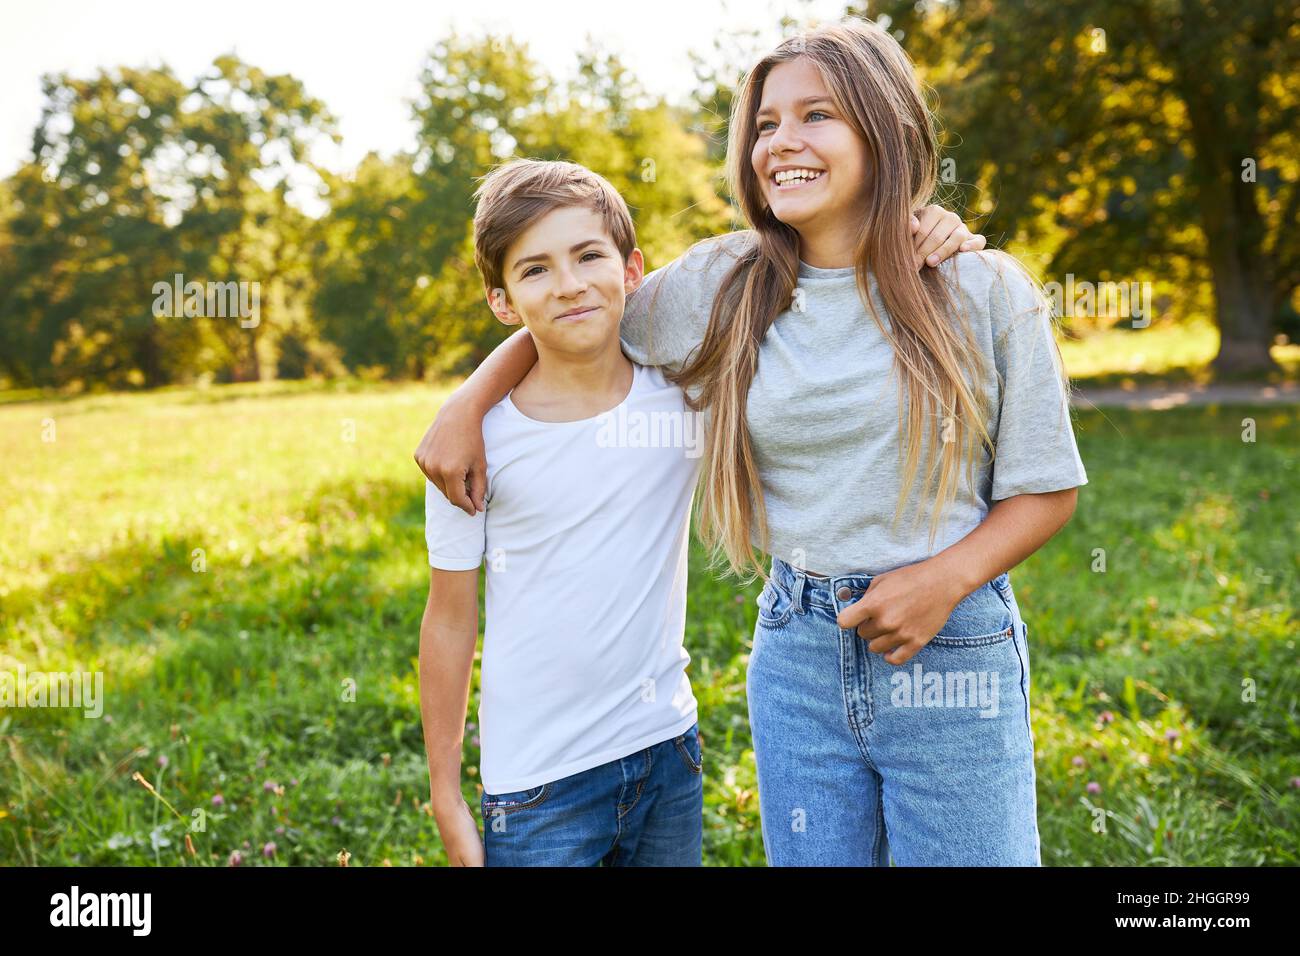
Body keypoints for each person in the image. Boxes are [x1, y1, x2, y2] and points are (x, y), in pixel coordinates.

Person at [419, 21, 1009, 866]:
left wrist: (925, 221)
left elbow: (591, 310)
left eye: (591, 256)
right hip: (548, 777)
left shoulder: (692, 385)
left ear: (632, 269)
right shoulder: (486, 443)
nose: (570, 282)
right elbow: (450, 620)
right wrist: (468, 401)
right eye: (767, 124)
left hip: (673, 750)